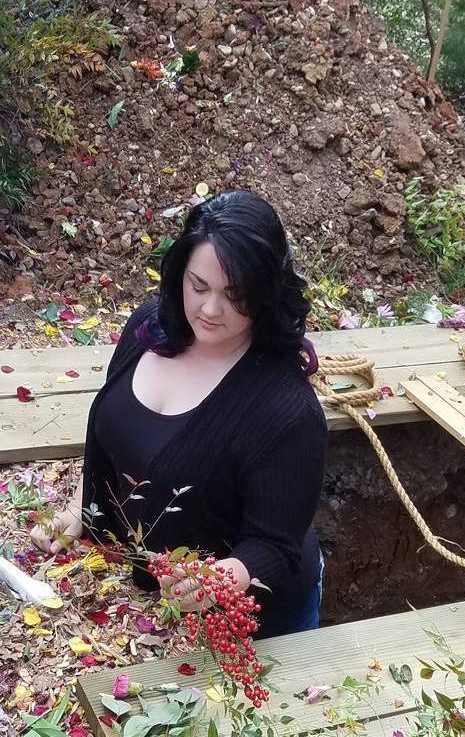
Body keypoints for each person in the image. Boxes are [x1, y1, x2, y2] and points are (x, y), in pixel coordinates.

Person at [31, 190, 328, 638]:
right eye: (199, 286)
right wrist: (82, 507)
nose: (210, 310)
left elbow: (276, 547)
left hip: (254, 623)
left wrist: (221, 579)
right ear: (179, 274)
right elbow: (112, 435)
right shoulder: (148, 327)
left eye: (235, 295)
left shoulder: (286, 409)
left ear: (267, 292)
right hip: (151, 591)